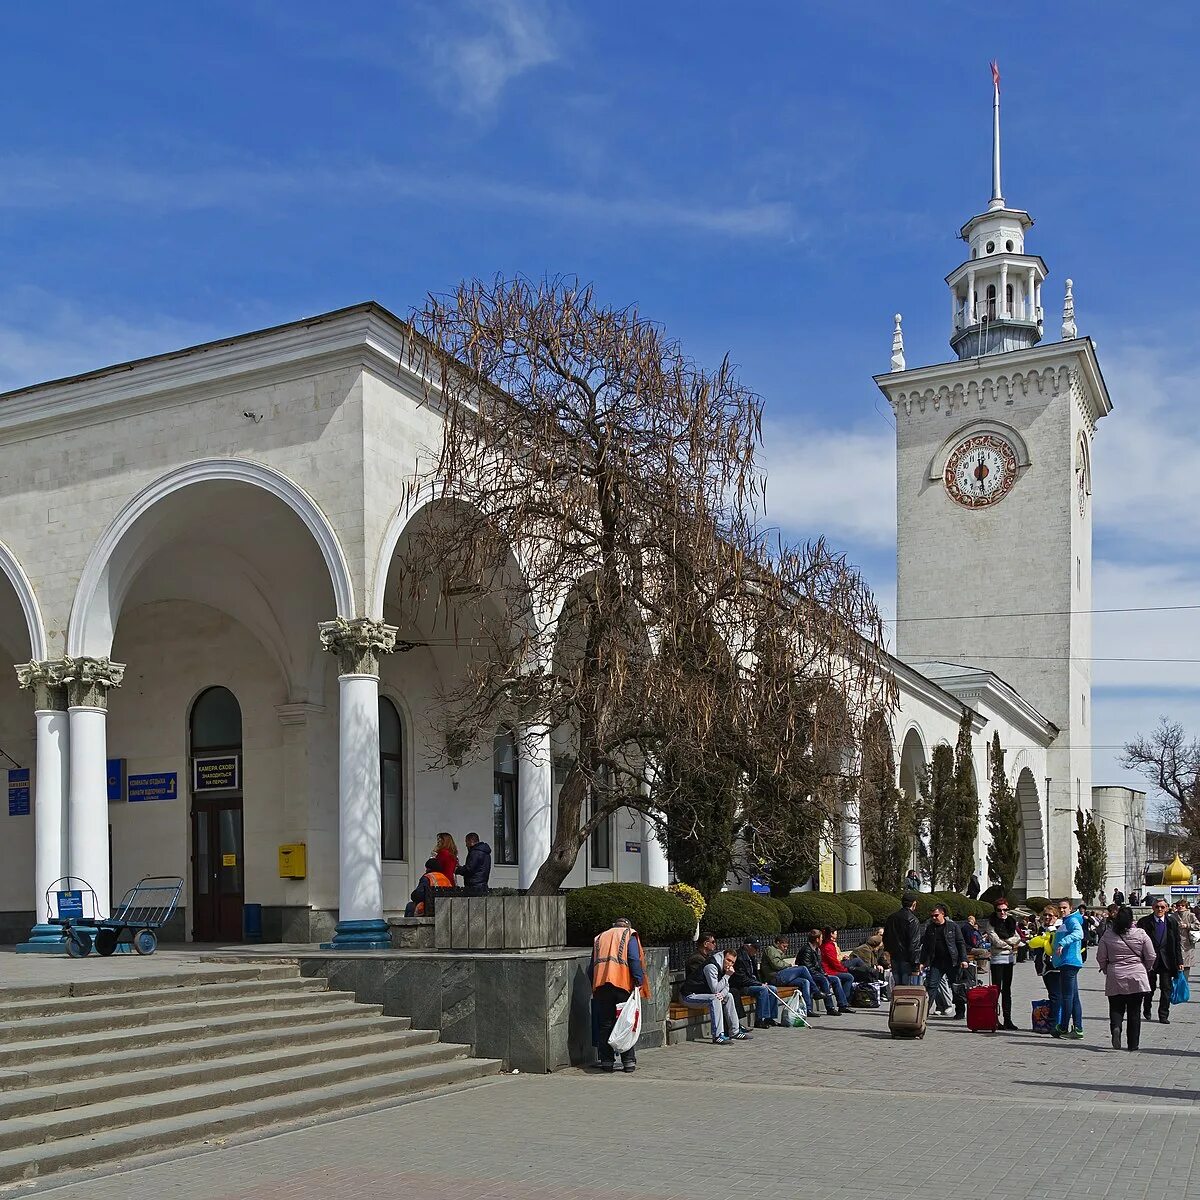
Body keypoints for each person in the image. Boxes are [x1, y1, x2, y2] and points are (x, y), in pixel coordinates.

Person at [589, 916, 650, 1072]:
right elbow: (633, 959)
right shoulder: (629, 934)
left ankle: (607, 1062)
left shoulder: (599, 937)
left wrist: (594, 985)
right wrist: (638, 980)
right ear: (627, 925)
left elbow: (591, 967)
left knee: (605, 1024)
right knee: (625, 1023)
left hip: (602, 986)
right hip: (622, 985)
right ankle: (628, 1061)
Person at [1096, 905, 1156, 1052]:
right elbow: (1151, 955)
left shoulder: (1108, 935)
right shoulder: (1141, 933)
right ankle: (1133, 1044)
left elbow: (1100, 956)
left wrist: (1105, 969)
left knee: (1116, 1006)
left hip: (1115, 973)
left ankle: (1116, 1027)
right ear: (1131, 919)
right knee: (1134, 1011)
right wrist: (1146, 968)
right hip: (1137, 974)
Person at [681, 933, 751, 1043]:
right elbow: (715, 990)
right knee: (715, 999)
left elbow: (726, 986)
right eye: (728, 960)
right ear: (723, 957)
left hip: (704, 994)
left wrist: (723, 992)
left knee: (729, 996)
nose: (730, 964)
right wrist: (727, 976)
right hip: (689, 995)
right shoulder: (711, 967)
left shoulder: (723, 967)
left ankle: (735, 1031)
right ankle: (718, 1035)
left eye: (732, 962)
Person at [1137, 896, 1184, 1024]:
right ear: (1153, 908)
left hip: (1167, 960)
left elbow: (1177, 942)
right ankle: (1147, 1008)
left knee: (1166, 988)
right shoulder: (1144, 922)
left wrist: (1180, 961)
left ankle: (1163, 1014)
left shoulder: (1171, 922)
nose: (1159, 909)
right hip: (1150, 961)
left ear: (1167, 908)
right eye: (1157, 907)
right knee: (1149, 988)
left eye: (1162, 907)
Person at [919, 904, 969, 1018]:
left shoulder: (952, 926)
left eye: (936, 915)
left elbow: (960, 943)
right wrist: (922, 962)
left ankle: (960, 1012)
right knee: (931, 986)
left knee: (956, 986)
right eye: (932, 916)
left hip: (952, 961)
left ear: (943, 914)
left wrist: (964, 959)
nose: (934, 918)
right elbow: (925, 946)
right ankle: (924, 1012)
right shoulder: (930, 928)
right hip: (936, 962)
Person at [761, 934, 821, 1016]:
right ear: (777, 943)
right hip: (774, 977)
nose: (785, 949)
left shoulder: (777, 951)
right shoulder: (771, 950)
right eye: (784, 946)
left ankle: (808, 1009)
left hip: (781, 976)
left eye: (786, 947)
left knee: (805, 981)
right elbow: (777, 964)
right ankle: (815, 991)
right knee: (802, 968)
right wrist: (790, 966)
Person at [1051, 898, 1085, 1039]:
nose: (1062, 910)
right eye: (1060, 908)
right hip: (1068, 962)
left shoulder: (1072, 920)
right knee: (1074, 997)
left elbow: (1079, 934)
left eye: (1064, 907)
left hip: (1069, 962)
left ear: (1070, 908)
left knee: (1067, 997)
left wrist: (1062, 943)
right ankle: (1078, 1028)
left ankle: (1064, 1027)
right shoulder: (1066, 921)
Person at [799, 928, 850, 1014]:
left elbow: (820, 965)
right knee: (824, 980)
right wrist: (821, 975)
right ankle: (830, 1008)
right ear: (817, 939)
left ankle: (842, 1005)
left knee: (835, 979)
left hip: (817, 973)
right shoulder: (807, 950)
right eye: (821, 938)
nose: (822, 939)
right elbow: (807, 967)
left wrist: (823, 973)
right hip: (809, 974)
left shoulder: (817, 949)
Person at [1027, 906, 1061, 1033]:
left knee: (1055, 996)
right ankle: (1055, 1022)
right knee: (1054, 995)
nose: (1047, 917)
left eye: (1050, 915)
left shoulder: (1059, 929)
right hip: (1045, 967)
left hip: (1055, 967)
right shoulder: (1042, 928)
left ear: (1056, 917)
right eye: (1045, 915)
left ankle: (1054, 1024)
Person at [988, 898, 1021, 1031]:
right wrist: (1010, 943)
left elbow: (1018, 937)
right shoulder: (991, 923)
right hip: (997, 959)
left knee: (1007, 990)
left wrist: (1007, 941)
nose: (1002, 912)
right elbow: (996, 941)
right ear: (995, 910)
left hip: (1009, 959)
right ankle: (994, 1019)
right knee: (996, 990)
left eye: (1005, 910)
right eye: (999, 910)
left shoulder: (1011, 921)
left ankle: (1008, 1019)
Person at [732, 940, 780, 1027]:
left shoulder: (751, 956)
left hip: (752, 983)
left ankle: (769, 1018)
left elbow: (755, 973)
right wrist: (758, 984)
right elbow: (742, 979)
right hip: (742, 986)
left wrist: (761, 982)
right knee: (763, 990)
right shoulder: (740, 957)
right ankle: (759, 1020)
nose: (757, 950)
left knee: (773, 988)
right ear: (747, 946)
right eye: (755, 948)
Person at [884, 893, 923, 987]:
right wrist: (915, 964)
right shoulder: (913, 920)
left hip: (894, 956)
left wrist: (889, 953)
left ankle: (897, 1001)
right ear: (914, 904)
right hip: (907, 959)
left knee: (897, 986)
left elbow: (886, 937)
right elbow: (914, 944)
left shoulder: (892, 918)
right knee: (907, 988)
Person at [821, 929, 858, 1002]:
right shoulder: (828, 946)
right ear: (831, 934)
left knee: (855, 965)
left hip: (832, 968)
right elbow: (834, 962)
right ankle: (844, 1001)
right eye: (835, 933)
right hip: (829, 970)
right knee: (849, 977)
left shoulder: (829, 945)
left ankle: (844, 1000)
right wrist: (844, 970)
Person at [1173, 899, 1197, 976]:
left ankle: (1184, 983)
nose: (1180, 907)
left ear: (1186, 907)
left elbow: (1198, 925)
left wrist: (1188, 926)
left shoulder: (1191, 915)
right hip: (1176, 942)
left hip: (1187, 943)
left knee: (1186, 964)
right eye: (1178, 906)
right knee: (1177, 964)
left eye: (1182, 905)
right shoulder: (1173, 915)